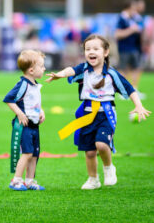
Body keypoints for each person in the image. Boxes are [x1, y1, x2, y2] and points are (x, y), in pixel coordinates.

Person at [46, 34, 151, 189]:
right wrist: (60, 74)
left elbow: (129, 89)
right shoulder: (84, 69)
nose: (91, 52)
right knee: (89, 152)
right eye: (88, 49)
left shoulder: (111, 73)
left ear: (106, 52)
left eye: (96, 48)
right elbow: (71, 70)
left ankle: (109, 168)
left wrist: (139, 105)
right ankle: (93, 179)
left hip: (105, 115)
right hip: (87, 115)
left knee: (101, 145)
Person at [3, 50, 46, 191]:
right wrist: (20, 114)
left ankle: (29, 180)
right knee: (27, 153)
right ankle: (16, 180)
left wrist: (41, 112)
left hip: (35, 125)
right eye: (41, 66)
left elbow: (34, 103)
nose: (44, 68)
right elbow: (9, 99)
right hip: (24, 125)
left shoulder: (35, 85)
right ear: (32, 70)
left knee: (34, 154)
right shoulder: (23, 84)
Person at [114, 0, 144, 97]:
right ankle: (122, 91)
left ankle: (134, 90)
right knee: (123, 70)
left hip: (134, 48)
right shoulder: (121, 18)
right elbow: (117, 34)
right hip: (124, 48)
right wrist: (131, 30)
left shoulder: (134, 18)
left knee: (136, 68)